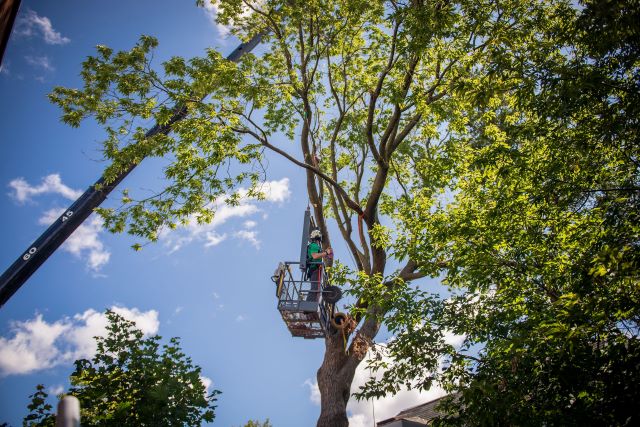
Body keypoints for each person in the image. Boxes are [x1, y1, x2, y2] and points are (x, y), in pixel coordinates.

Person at [306, 229, 332, 302]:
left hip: (316, 269)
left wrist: (324, 253)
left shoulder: (316, 246)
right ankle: (309, 304)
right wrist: (326, 253)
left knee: (317, 289)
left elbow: (318, 255)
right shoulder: (314, 245)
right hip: (315, 268)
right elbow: (314, 256)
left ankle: (311, 305)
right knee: (315, 288)